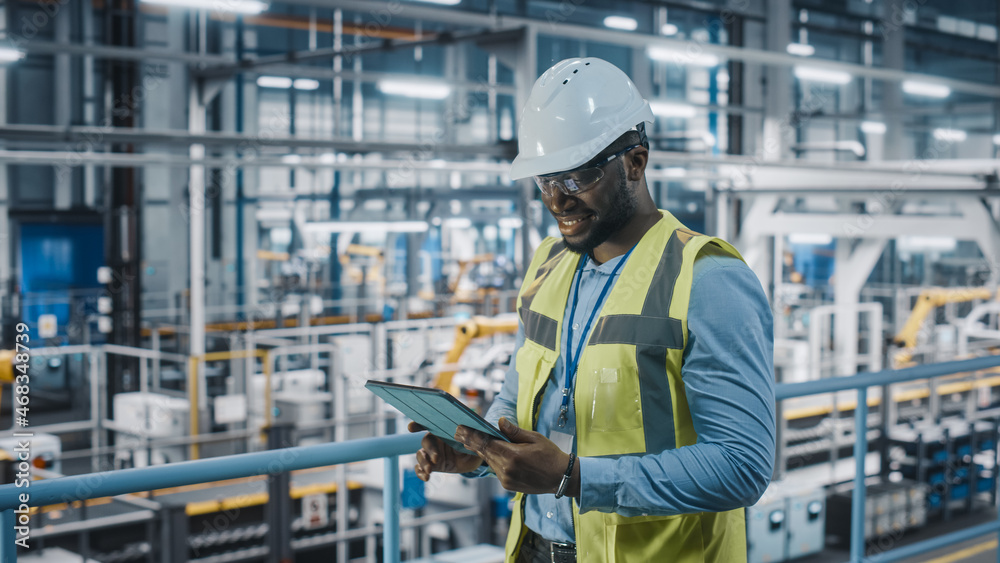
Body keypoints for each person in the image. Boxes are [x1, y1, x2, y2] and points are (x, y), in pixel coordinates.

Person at [410, 57, 775, 563]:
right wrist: (478, 450)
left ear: (635, 163)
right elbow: (518, 401)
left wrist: (571, 477)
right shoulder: (548, 264)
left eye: (578, 176)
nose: (558, 200)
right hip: (537, 548)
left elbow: (742, 466)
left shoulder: (709, 280)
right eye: (544, 180)